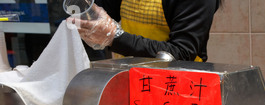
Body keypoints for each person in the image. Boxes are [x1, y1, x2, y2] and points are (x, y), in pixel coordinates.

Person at [68, 0, 222, 62]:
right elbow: (94, 16)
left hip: (180, 90)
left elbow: (182, 53)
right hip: (133, 84)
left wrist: (114, 38)